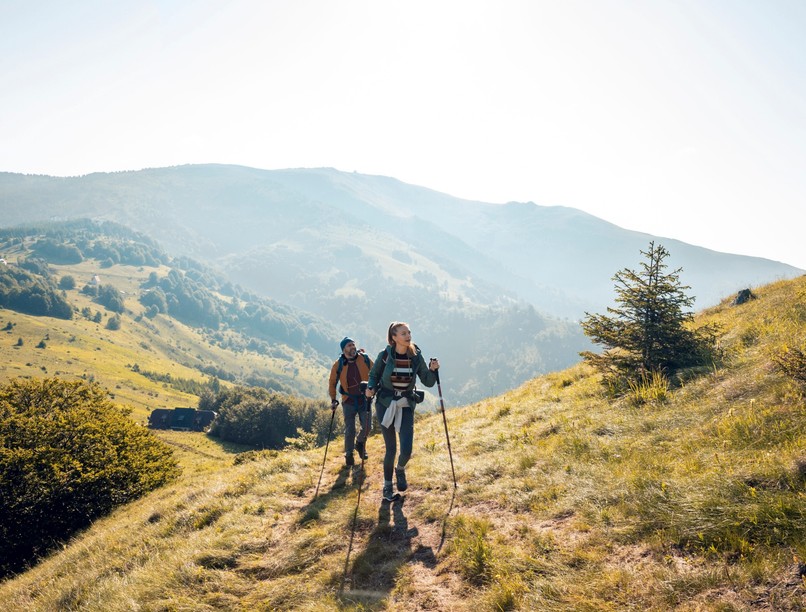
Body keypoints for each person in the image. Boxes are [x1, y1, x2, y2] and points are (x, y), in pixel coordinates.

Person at [365, 322, 439, 501]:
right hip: (385, 403)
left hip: (406, 403)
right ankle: (387, 488)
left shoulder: (415, 356)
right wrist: (370, 387)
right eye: (403, 333)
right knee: (391, 448)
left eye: (409, 332)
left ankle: (400, 469)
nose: (408, 336)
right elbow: (374, 376)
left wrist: (432, 370)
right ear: (394, 337)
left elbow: (428, 382)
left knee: (406, 450)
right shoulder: (385, 356)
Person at [328, 336, 373, 466]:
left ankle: (359, 443)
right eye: (349, 345)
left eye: (353, 344)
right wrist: (333, 399)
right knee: (350, 429)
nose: (352, 347)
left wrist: (374, 388)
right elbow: (332, 382)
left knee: (367, 426)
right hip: (348, 400)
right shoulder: (338, 364)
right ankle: (349, 454)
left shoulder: (364, 358)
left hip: (365, 399)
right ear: (343, 350)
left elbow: (375, 372)